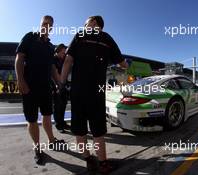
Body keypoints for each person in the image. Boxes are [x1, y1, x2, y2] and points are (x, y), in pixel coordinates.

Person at [60, 15, 128, 174]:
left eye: (86, 23)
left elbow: (68, 61)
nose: (84, 26)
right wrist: (125, 65)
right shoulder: (107, 38)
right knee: (97, 129)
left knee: (79, 128)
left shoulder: (80, 35)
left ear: (94, 23)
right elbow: (123, 64)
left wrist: (62, 84)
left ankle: (89, 160)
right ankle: (103, 164)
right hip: (97, 91)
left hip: (77, 90)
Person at [15, 15, 64, 165]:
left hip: (45, 88)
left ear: (52, 27)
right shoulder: (30, 37)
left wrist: (58, 83)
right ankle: (37, 148)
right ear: (40, 24)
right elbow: (19, 58)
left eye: (49, 24)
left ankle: (51, 140)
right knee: (32, 119)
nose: (46, 26)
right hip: (29, 87)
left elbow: (52, 68)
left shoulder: (50, 46)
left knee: (48, 116)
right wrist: (20, 80)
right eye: (44, 23)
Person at [52, 44, 71, 133]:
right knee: (57, 106)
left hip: (63, 85)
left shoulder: (62, 60)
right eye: (63, 52)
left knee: (63, 105)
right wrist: (59, 84)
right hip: (56, 85)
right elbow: (54, 73)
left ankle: (62, 122)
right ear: (57, 51)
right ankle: (58, 125)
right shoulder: (53, 59)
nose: (64, 54)